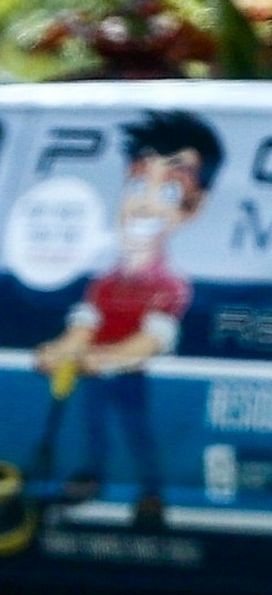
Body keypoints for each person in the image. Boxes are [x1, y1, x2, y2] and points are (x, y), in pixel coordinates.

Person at [31, 110, 225, 532]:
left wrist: (101, 359)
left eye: (169, 190)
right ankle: (93, 475)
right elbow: (83, 326)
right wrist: (58, 350)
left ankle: (151, 490)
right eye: (137, 185)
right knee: (93, 424)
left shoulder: (169, 285)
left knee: (137, 432)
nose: (145, 203)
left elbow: (150, 341)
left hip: (127, 376)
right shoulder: (106, 281)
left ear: (193, 207)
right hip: (92, 373)